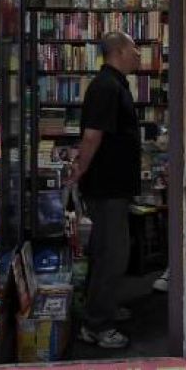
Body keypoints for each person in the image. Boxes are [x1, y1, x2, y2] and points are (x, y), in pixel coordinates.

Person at [66, 31, 143, 350]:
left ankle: (103, 307)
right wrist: (79, 170)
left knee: (106, 251)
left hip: (113, 185)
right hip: (106, 186)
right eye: (134, 48)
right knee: (112, 254)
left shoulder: (115, 85)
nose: (139, 53)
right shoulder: (105, 87)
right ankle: (97, 325)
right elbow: (92, 136)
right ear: (119, 51)